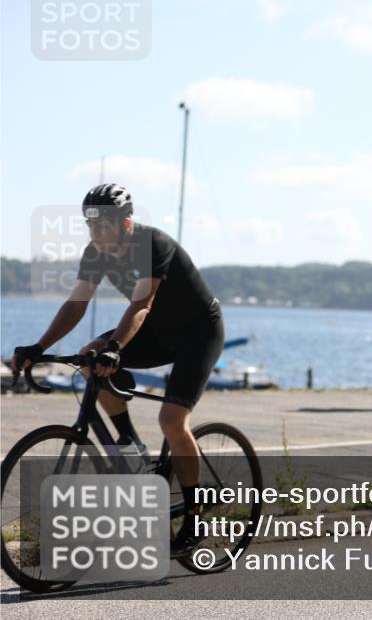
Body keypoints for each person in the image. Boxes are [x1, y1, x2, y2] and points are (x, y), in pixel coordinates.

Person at [12, 184, 224, 554]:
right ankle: (133, 446)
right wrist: (39, 347)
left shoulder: (152, 245)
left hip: (198, 331)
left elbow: (142, 304)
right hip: (157, 331)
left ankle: (195, 516)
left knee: (172, 420)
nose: (95, 231)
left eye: (103, 223)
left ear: (126, 223)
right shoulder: (95, 254)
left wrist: (116, 348)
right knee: (91, 356)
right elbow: (76, 305)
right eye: (90, 223)